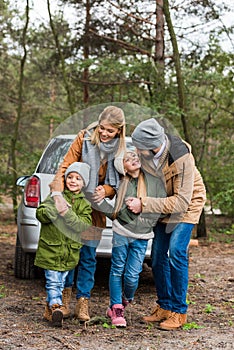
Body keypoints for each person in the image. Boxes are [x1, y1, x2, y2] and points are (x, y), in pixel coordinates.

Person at [126, 118, 206, 331]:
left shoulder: (181, 157)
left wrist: (143, 204)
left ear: (149, 145)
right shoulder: (147, 155)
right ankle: (165, 306)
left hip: (186, 204)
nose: (135, 149)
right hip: (163, 204)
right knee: (158, 255)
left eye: (138, 146)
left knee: (176, 252)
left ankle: (179, 311)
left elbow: (181, 201)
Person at [49, 106, 126, 322]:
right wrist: (57, 193)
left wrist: (107, 190)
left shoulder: (120, 151)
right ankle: (63, 302)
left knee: (88, 258)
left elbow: (121, 181)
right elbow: (64, 167)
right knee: (69, 256)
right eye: (102, 128)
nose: (104, 133)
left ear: (119, 132)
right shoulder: (83, 139)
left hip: (95, 212)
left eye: (110, 131)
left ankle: (82, 303)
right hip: (73, 208)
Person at [93, 149, 166, 327]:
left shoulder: (152, 180)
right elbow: (114, 210)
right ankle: (116, 308)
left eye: (134, 156)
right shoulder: (121, 183)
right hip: (121, 233)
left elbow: (159, 204)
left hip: (142, 235)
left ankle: (125, 299)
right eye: (127, 159)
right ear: (122, 167)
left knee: (132, 275)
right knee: (117, 268)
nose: (133, 159)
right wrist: (101, 204)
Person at [34, 162, 92, 327]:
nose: (73, 181)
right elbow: (41, 213)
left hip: (69, 252)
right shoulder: (55, 197)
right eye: (70, 177)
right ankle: (56, 306)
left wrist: (66, 213)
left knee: (61, 282)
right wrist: (55, 209)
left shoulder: (85, 205)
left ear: (84, 183)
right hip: (51, 249)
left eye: (78, 179)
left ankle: (49, 310)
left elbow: (83, 225)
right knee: (53, 282)